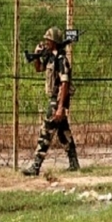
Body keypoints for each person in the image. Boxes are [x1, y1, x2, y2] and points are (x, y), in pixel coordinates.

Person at [23, 27, 80, 176]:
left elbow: (64, 84)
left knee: (46, 132)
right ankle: (74, 163)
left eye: (48, 40)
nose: (45, 42)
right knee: (63, 133)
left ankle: (36, 166)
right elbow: (39, 68)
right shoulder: (50, 57)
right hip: (55, 99)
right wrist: (37, 56)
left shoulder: (61, 60)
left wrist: (60, 107)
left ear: (54, 41)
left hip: (57, 100)